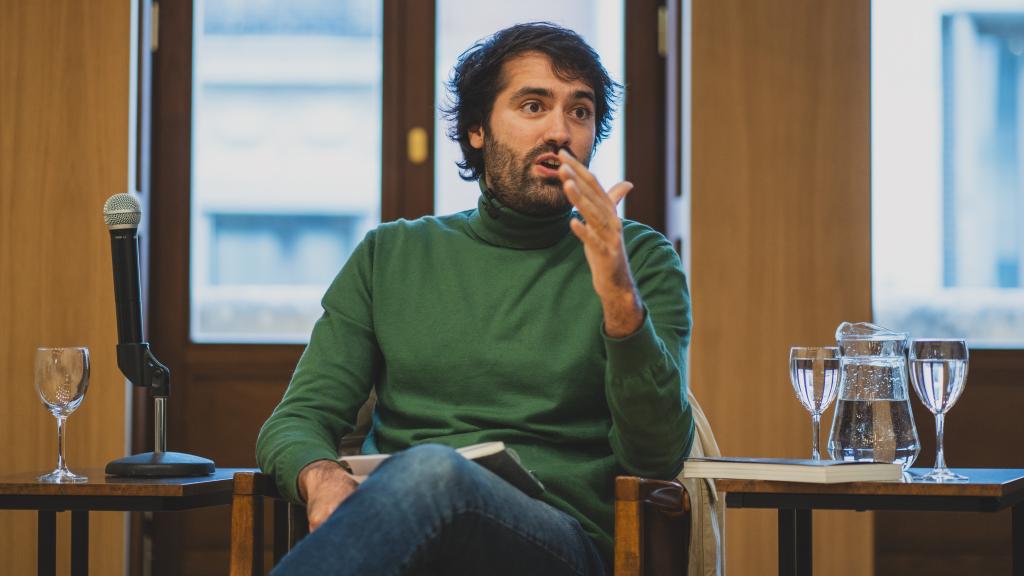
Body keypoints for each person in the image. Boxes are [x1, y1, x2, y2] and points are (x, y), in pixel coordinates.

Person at [256, 22, 694, 576]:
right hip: (404, 528)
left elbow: (657, 456)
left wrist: (618, 298)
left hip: (558, 539)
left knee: (434, 473)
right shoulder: (390, 254)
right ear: (477, 130)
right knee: (425, 480)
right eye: (534, 105)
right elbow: (296, 420)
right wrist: (322, 478)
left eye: (580, 112)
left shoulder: (639, 259)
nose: (560, 130)